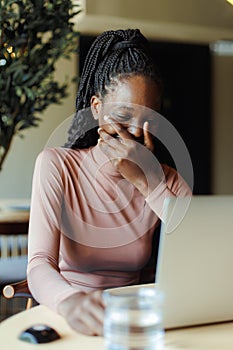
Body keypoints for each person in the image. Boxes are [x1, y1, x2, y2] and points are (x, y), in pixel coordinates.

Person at [27, 29, 192, 336]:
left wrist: (149, 182)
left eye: (149, 120)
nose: (134, 131)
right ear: (96, 108)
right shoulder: (57, 166)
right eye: (124, 115)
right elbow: (39, 264)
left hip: (130, 319)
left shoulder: (170, 181)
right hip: (69, 314)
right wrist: (71, 302)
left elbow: (201, 252)